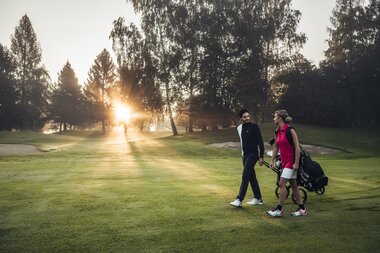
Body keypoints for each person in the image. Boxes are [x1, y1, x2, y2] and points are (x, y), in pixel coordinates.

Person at [266, 110, 307, 217]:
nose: (274, 118)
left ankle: (279, 209)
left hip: (292, 161)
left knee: (281, 183)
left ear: (280, 118)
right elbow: (276, 147)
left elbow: (297, 148)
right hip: (284, 162)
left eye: (275, 116)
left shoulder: (290, 130)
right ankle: (302, 209)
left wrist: (296, 163)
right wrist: (272, 160)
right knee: (293, 185)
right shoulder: (277, 131)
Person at [230, 109, 265, 208]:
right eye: (244, 117)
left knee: (245, 175)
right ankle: (258, 198)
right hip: (244, 156)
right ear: (241, 118)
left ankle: (239, 199)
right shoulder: (239, 128)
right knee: (251, 177)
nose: (247, 118)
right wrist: (242, 154)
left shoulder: (254, 127)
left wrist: (261, 156)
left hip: (253, 155)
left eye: (248, 116)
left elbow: (260, 141)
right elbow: (242, 142)